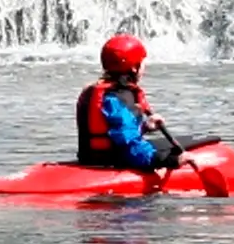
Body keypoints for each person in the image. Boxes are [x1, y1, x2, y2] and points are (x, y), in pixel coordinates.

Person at [76, 34, 181, 170]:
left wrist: (144, 127)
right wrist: (168, 160)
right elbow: (130, 145)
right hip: (111, 163)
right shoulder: (118, 98)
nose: (145, 67)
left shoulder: (90, 91)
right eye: (142, 62)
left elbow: (115, 131)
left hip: (89, 159)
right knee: (171, 151)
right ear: (133, 68)